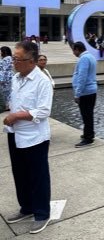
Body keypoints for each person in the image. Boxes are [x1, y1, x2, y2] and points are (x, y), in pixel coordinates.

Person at [3, 41, 53, 234]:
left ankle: (42, 213)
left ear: (31, 61)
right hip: (15, 134)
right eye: (13, 58)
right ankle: (26, 207)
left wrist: (16, 116)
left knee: (38, 176)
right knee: (20, 174)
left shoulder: (42, 81)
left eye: (17, 59)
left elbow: (44, 111)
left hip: (34, 137)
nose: (13, 62)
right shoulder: (17, 78)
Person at [72, 41, 98, 147]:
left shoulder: (83, 59)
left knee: (86, 115)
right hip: (91, 91)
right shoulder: (91, 56)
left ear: (77, 49)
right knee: (89, 114)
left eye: (74, 50)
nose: (74, 53)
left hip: (85, 92)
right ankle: (89, 133)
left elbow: (82, 77)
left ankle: (88, 138)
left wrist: (77, 94)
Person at [0, 46, 13, 111]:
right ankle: (6, 105)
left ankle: (7, 106)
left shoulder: (7, 59)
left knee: (6, 92)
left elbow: (4, 70)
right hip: (6, 76)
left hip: (6, 77)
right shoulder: (5, 58)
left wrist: (1, 79)